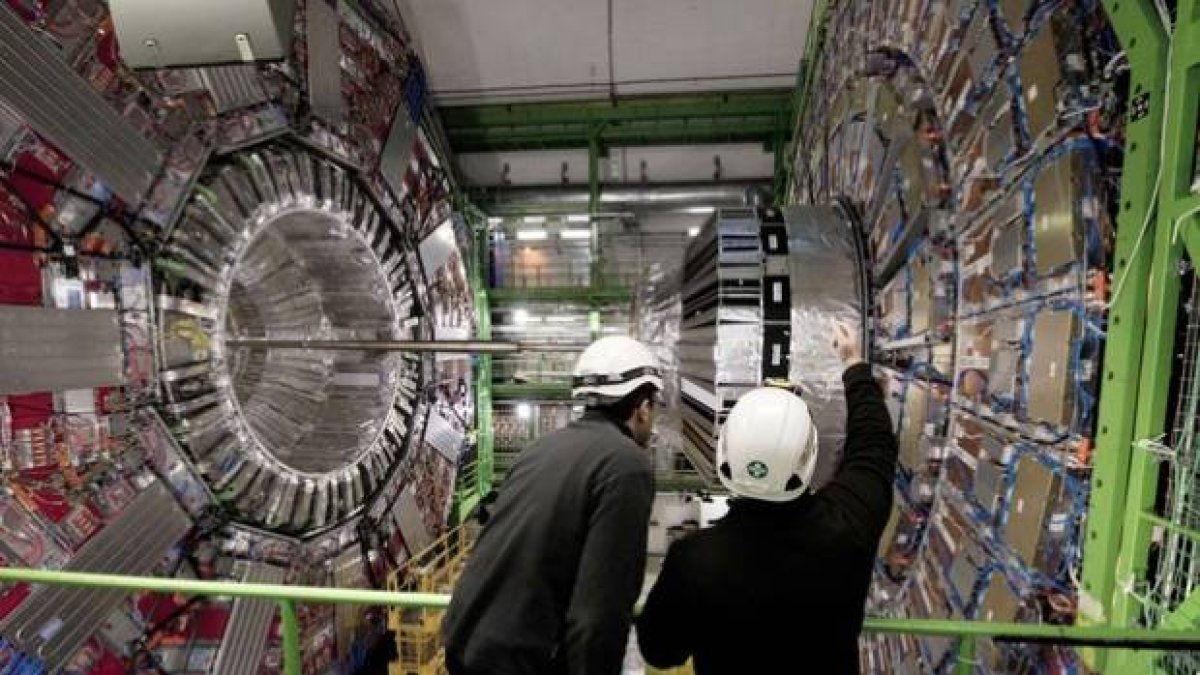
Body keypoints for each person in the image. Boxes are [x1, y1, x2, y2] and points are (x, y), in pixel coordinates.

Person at [636, 321, 897, 675]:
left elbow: (660, 650)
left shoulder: (694, 560)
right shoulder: (848, 526)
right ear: (808, 455)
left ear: (725, 455)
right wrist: (854, 366)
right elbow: (874, 445)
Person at [442, 335, 662, 675]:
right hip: (517, 662)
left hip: (465, 642)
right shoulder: (626, 465)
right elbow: (598, 611)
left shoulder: (540, 448)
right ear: (643, 407)